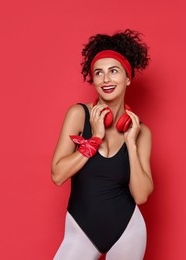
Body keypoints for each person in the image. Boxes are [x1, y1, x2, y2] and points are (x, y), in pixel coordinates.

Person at [51, 29, 154, 260]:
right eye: (99, 73)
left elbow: (141, 196)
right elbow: (57, 175)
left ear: (127, 78)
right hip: (81, 230)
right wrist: (94, 139)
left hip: (128, 231)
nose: (106, 79)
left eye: (113, 71)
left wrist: (131, 144)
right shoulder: (78, 114)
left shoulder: (141, 132)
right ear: (94, 80)